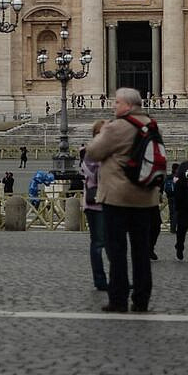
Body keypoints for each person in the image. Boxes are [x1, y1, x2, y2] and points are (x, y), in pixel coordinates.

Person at [83, 88, 160, 313]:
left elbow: (93, 152)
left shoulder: (117, 126)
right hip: (145, 197)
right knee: (141, 251)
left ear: (127, 105)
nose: (113, 106)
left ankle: (118, 299)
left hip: (118, 197)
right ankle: (141, 299)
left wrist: (103, 131)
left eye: (116, 102)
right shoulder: (151, 125)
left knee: (117, 251)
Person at [80, 120, 109, 292]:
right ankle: (100, 280)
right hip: (96, 204)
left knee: (115, 243)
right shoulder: (89, 152)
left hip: (112, 201)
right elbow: (90, 174)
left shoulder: (112, 151)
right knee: (98, 243)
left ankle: (119, 277)